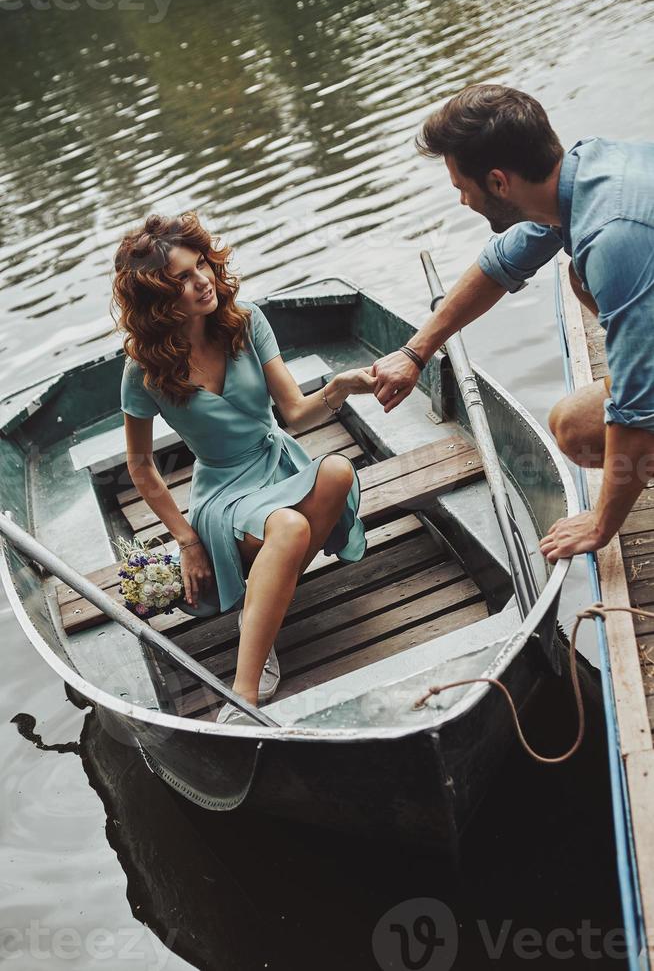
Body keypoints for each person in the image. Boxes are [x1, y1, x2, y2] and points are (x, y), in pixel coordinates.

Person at [372, 84, 654, 563]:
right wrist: (414, 352)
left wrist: (603, 523)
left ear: (499, 183)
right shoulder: (582, 175)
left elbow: (638, 408)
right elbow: (499, 267)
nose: (462, 200)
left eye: (462, 188)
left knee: (598, 428)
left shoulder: (613, 240)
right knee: (576, 424)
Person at [113, 212, 375, 724]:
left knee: (340, 472)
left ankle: (261, 608)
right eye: (181, 281)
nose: (202, 282)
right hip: (223, 493)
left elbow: (296, 412)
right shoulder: (144, 369)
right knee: (289, 525)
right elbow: (141, 464)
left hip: (278, 464)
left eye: (200, 267)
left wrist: (339, 388)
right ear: (157, 301)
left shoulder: (246, 320)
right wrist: (187, 541)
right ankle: (245, 691)